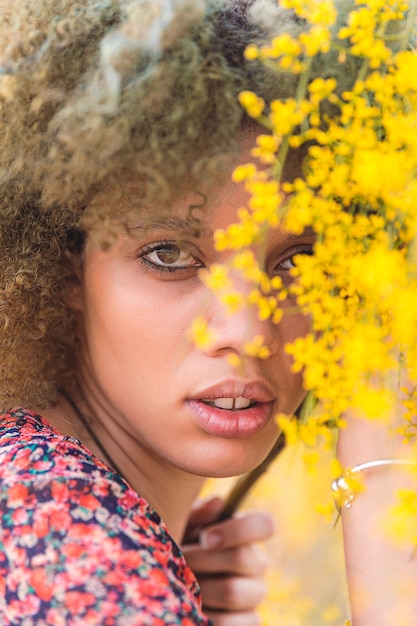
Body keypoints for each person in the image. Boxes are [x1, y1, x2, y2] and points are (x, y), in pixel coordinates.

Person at [0, 1, 415, 625]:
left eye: (300, 261)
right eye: (169, 255)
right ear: (64, 266)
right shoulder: (62, 537)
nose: (247, 331)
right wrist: (386, 479)